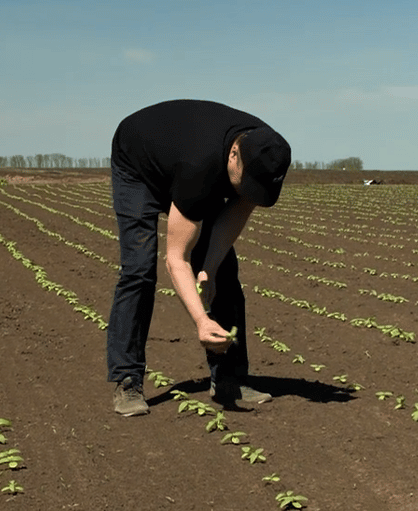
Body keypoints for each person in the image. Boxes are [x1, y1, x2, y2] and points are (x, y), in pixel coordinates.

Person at [106, 99, 291, 416]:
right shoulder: (200, 167)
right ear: (234, 155)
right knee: (139, 270)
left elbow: (230, 220)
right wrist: (201, 320)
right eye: (246, 183)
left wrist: (210, 269)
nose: (250, 192)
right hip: (139, 163)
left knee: (227, 274)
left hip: (185, 158)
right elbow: (176, 258)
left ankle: (229, 379)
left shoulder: (265, 158)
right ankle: (127, 380)